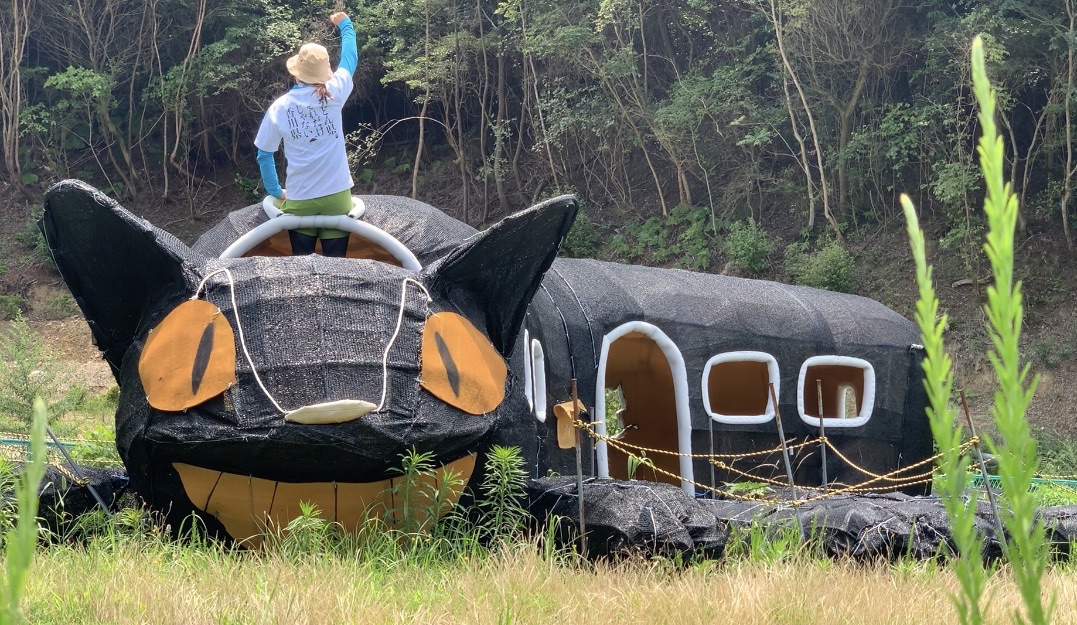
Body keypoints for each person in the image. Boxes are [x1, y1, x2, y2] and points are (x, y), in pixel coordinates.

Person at [255, 12, 358, 257]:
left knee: (303, 267)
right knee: (336, 266)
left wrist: (276, 192)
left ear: (297, 72)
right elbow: (350, 58)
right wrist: (345, 24)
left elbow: (264, 154)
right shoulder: (335, 92)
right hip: (337, 198)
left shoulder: (279, 107)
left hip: (300, 200)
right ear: (325, 72)